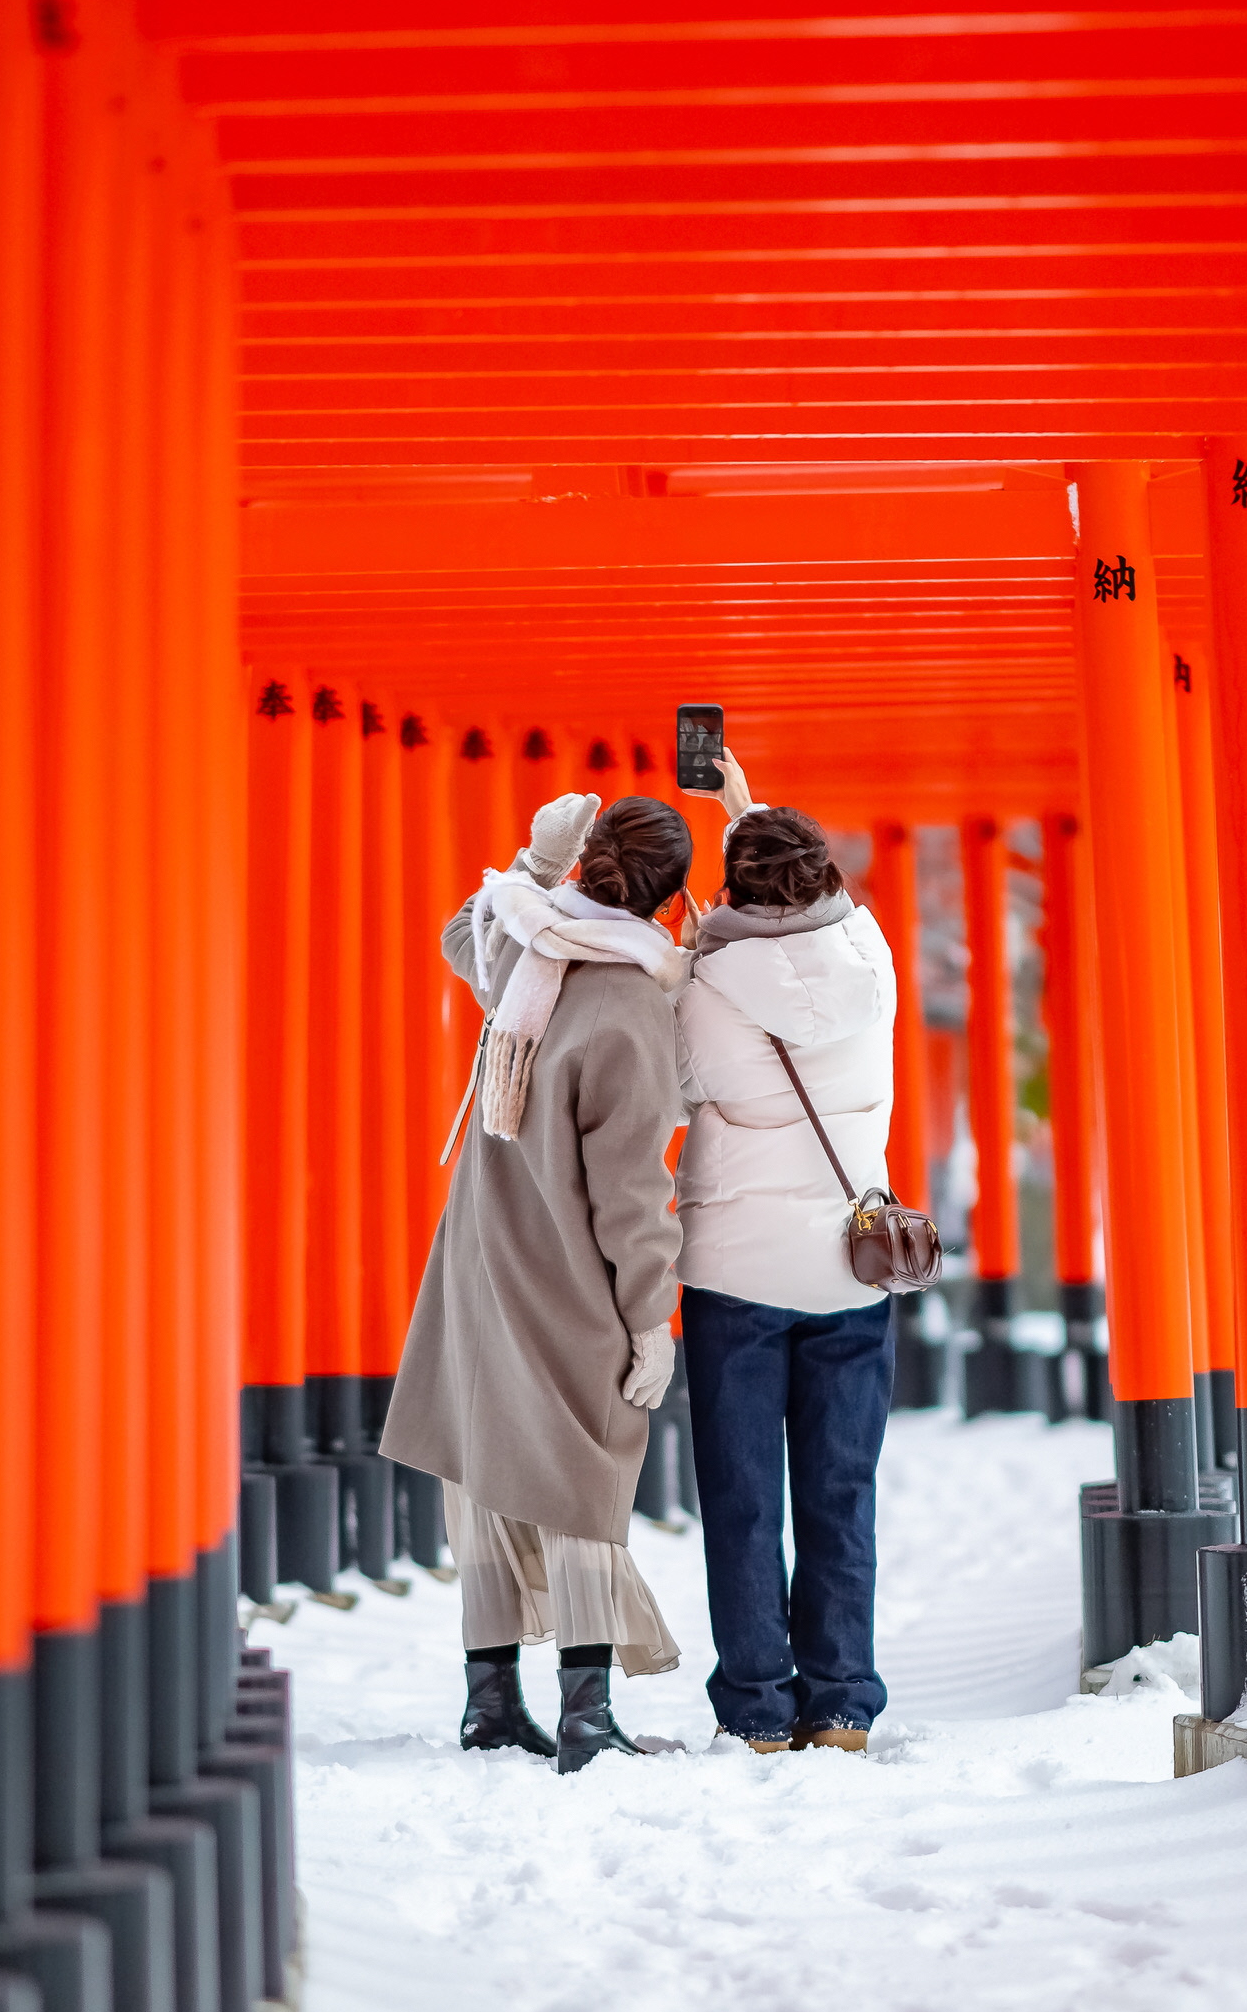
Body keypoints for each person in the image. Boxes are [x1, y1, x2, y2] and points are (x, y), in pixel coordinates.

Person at [383, 788, 696, 1774]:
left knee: (486, 1476)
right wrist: (651, 1320)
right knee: (582, 1478)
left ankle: (488, 1700)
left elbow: (456, 931)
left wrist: (529, 864)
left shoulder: (533, 952)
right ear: (672, 900)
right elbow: (632, 1195)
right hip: (568, 1275)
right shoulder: (633, 1004)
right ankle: (586, 1708)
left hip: (480, 1256)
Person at [675, 755, 897, 1750]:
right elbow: (814, 900)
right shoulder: (873, 958)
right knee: (840, 1490)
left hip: (733, 1273)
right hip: (850, 1269)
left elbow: (681, 1080)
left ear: (734, 885)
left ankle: (760, 1706)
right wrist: (745, 803)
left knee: (743, 1496)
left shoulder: (701, 978)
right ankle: (842, 1700)